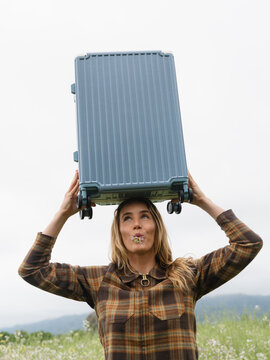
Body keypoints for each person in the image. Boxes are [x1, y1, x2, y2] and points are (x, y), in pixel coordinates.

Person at [18, 171, 263, 360]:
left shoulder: (188, 275)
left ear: (156, 226)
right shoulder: (98, 281)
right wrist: (63, 212)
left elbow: (247, 244)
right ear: (119, 232)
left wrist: (201, 200)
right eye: (128, 218)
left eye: (144, 216)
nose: (137, 224)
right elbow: (32, 269)